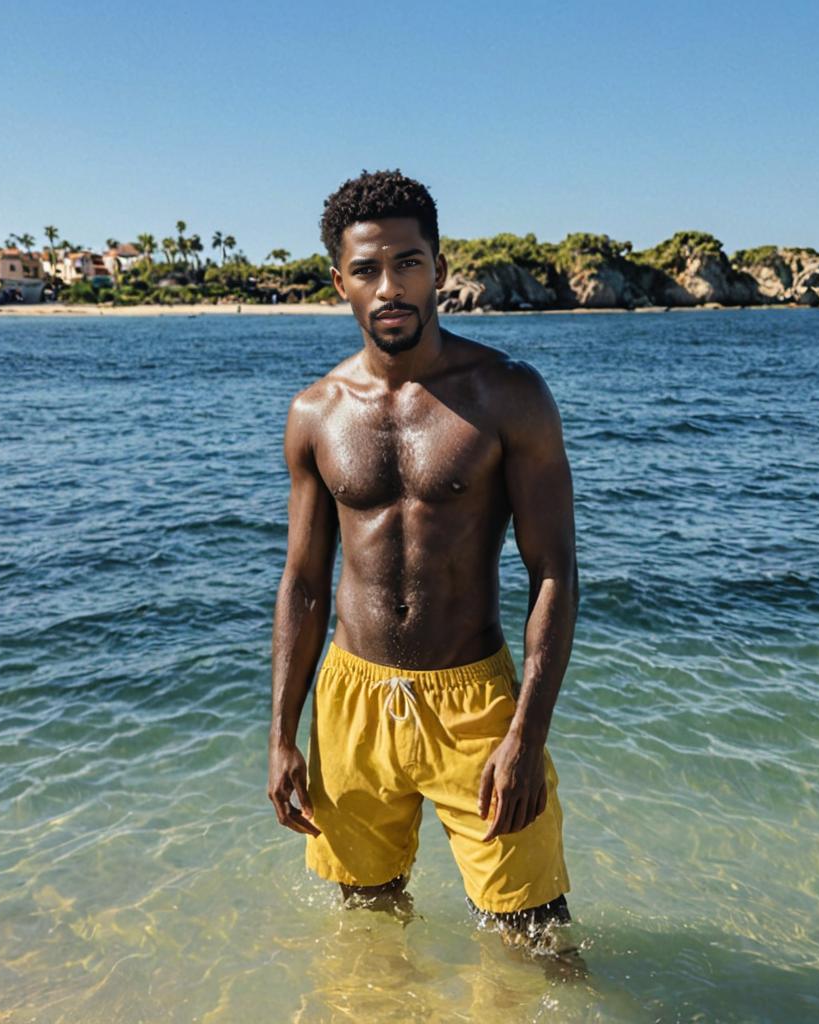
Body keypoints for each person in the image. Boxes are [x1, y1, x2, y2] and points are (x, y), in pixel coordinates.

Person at [267, 169, 578, 940]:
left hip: (475, 703)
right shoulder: (314, 414)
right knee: (367, 928)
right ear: (339, 281)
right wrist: (280, 734)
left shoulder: (509, 394)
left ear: (439, 269)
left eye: (408, 263)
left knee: (534, 934)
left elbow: (555, 572)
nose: (390, 287)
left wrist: (526, 734)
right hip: (350, 705)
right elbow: (305, 584)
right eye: (368, 269)